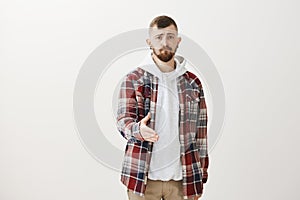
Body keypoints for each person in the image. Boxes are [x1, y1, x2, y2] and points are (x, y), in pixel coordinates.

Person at [116, 15, 209, 200]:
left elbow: (201, 133)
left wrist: (201, 175)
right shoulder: (133, 80)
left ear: (178, 41)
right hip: (142, 178)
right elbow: (123, 121)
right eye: (159, 37)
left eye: (170, 37)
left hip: (182, 180)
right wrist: (138, 130)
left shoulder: (192, 82)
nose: (164, 42)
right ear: (149, 41)